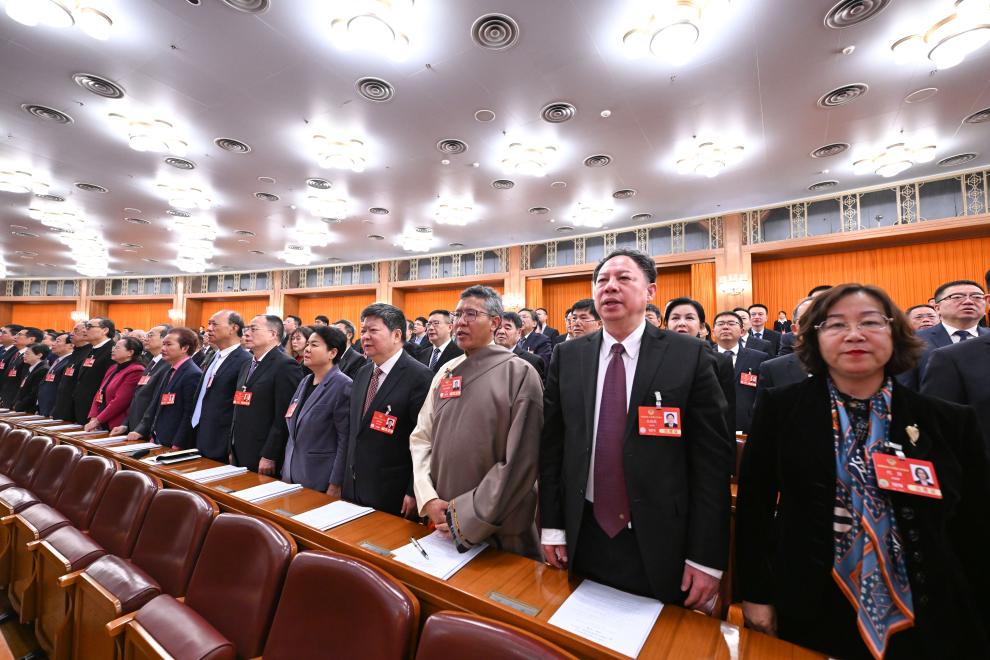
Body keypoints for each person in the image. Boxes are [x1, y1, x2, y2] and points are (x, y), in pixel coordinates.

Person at [736, 283, 990, 658]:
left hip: (927, 605)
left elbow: (975, 524)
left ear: (895, 333)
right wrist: (755, 594)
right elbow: (754, 508)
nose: (854, 334)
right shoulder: (782, 409)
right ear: (815, 338)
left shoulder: (947, 421)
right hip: (810, 601)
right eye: (836, 324)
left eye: (870, 322)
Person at [540, 249, 731, 608]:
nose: (610, 287)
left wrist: (705, 557)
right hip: (585, 529)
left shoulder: (689, 355)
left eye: (623, 278)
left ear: (650, 291)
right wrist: (552, 526)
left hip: (663, 537)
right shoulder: (568, 356)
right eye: (602, 280)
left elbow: (711, 463)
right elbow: (553, 447)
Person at [411, 286, 544, 559]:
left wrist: (464, 517)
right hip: (441, 515)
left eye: (471, 314)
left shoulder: (520, 373)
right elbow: (422, 437)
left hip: (498, 522)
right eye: (457, 315)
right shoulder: (446, 372)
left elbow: (520, 463)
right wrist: (428, 497)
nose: (460, 322)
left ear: (495, 322)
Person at [342, 303, 431, 516]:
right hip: (353, 485)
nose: (365, 337)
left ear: (396, 334)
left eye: (373, 330)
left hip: (393, 490)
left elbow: (427, 439)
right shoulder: (363, 373)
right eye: (363, 330)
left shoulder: (419, 376)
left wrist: (414, 489)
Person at [282, 325, 352, 494]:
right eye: (307, 344)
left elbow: (345, 440)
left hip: (320, 476)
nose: (307, 349)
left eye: (314, 345)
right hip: (292, 470)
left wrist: (336, 482)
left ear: (332, 353)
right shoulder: (305, 380)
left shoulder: (343, 385)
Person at [230, 315, 303, 474]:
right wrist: (232, 445)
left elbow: (283, 416)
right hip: (239, 447)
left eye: (253, 329)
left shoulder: (286, 365)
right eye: (247, 329)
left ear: (273, 334)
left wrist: (270, 454)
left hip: (263, 451)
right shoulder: (247, 364)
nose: (247, 333)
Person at [664, 297, 735, 448]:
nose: (681, 323)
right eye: (675, 318)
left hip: (704, 443)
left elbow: (727, 414)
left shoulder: (721, 361)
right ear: (666, 324)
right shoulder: (656, 359)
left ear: (702, 326)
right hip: (665, 443)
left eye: (689, 318)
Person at [900, 280, 989, 389]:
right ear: (937, 308)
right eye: (957, 297)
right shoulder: (913, 340)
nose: (968, 301)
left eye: (977, 297)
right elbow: (905, 388)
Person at [188, 311, 251, 461]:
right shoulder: (214, 355)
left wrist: (231, 445)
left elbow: (239, 408)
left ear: (233, 328)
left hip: (220, 439)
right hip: (199, 432)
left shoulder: (245, 360)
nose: (209, 329)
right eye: (209, 324)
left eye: (214, 324)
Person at [128, 328, 202, 449]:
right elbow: (156, 404)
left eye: (168, 345)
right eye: (163, 344)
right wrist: (141, 430)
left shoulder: (192, 374)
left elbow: (189, 413)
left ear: (184, 348)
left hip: (173, 442)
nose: (163, 348)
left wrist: (178, 443)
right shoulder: (170, 370)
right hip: (158, 437)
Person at [110, 324, 172, 437]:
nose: (146, 338)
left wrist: (141, 429)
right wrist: (125, 424)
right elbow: (137, 397)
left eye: (151, 335)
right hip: (135, 426)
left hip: (146, 431)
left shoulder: (167, 366)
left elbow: (154, 402)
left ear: (164, 339)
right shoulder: (152, 362)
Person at [713, 311, 769, 435]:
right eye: (721, 324)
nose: (726, 327)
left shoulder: (759, 358)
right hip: (713, 424)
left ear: (742, 331)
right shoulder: (704, 358)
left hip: (748, 424)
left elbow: (763, 395)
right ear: (713, 331)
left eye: (731, 323)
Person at [83, 336, 145, 431]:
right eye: (114, 347)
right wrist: (93, 416)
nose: (113, 350)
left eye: (117, 347)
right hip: (100, 421)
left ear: (130, 352)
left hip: (116, 424)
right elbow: (100, 392)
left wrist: (97, 420)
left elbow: (120, 401)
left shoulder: (136, 370)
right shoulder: (113, 367)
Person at [757, 297, 814, 397]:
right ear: (795, 329)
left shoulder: (844, 366)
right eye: (807, 320)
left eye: (824, 320)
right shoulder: (773, 370)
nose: (816, 326)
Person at [72, 317, 116, 424]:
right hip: (82, 406)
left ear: (105, 330)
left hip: (97, 410)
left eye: (89, 327)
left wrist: (97, 413)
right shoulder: (92, 349)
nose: (84, 330)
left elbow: (109, 385)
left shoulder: (112, 351)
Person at [52, 323, 90, 421]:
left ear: (86, 331)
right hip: (62, 406)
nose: (71, 334)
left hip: (76, 410)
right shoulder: (76, 352)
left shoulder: (89, 353)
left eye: (76, 330)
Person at [495, 312, 546, 381]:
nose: (501, 331)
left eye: (507, 328)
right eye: (498, 327)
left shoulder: (532, 361)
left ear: (519, 332)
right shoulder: (485, 358)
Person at [0, 326, 42, 408]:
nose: (15, 337)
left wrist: (17, 402)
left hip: (15, 401)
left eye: (19, 334)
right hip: (7, 398)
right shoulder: (17, 354)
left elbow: (24, 382)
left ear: (31, 339)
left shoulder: (30, 358)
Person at [417, 309, 463, 374]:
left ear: (449, 327)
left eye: (436, 323)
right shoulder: (423, 353)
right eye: (429, 324)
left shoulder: (460, 354)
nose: (430, 328)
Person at [38, 332, 73, 416]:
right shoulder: (58, 360)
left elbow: (64, 389)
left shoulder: (70, 362)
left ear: (71, 345)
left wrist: (55, 410)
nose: (53, 344)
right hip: (45, 406)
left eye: (58, 341)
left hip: (54, 409)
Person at [13, 343, 50, 413]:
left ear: (39, 355)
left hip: (30, 408)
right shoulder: (30, 367)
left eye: (27, 354)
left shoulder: (43, 370)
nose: (24, 356)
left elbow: (34, 393)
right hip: (22, 406)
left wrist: (20, 406)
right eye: (24, 353)